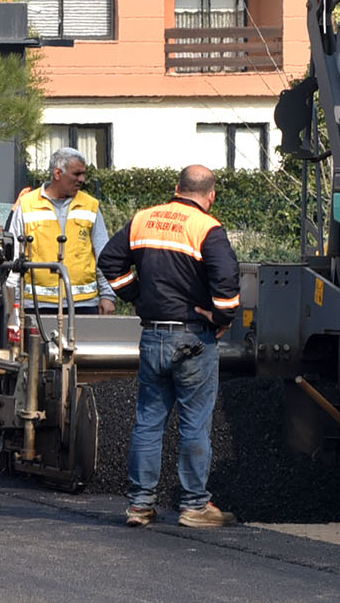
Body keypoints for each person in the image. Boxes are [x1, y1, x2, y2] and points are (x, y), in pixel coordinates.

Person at [97, 164, 241, 529]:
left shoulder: (143, 219)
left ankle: (140, 505)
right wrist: (221, 319)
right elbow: (227, 283)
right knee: (194, 423)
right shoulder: (207, 228)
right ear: (211, 196)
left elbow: (109, 261)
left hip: (153, 336)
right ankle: (194, 506)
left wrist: (138, 296)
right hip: (193, 338)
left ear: (176, 188)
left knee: (148, 421)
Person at [6, 149, 111, 313]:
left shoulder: (90, 205)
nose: (82, 179)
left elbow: (103, 254)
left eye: (84, 174)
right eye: (77, 174)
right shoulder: (27, 205)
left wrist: (107, 295)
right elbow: (14, 258)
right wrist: (15, 304)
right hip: (37, 305)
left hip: (84, 304)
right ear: (57, 173)